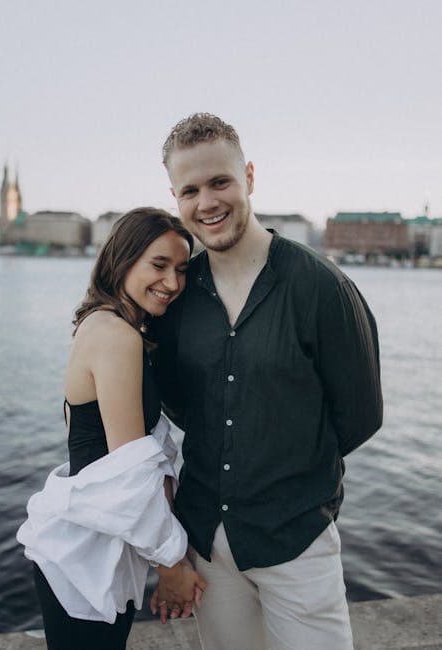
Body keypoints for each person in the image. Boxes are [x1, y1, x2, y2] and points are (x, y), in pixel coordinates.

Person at [150, 114, 383, 650]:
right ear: (175, 198)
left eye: (220, 182)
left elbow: (361, 413)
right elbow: (184, 406)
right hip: (209, 542)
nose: (207, 201)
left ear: (249, 176)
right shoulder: (178, 299)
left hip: (297, 539)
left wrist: (287, 464)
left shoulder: (320, 287)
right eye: (190, 190)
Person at [17, 207, 206, 650]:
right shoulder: (117, 336)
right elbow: (132, 474)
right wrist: (172, 567)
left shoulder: (107, 325)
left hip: (96, 547)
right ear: (122, 260)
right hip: (83, 557)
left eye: (181, 270)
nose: (173, 283)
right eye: (158, 265)